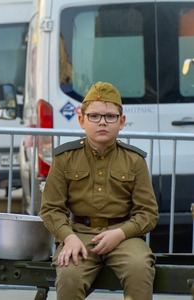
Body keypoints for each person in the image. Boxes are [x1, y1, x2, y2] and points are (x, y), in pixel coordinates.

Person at [40, 81, 159, 300]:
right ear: (81, 120)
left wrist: (121, 233)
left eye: (110, 116)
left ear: (121, 122)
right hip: (79, 235)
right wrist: (68, 237)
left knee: (139, 268)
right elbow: (51, 209)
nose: (102, 122)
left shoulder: (134, 161)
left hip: (123, 236)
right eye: (94, 116)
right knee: (69, 276)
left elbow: (148, 213)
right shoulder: (65, 158)